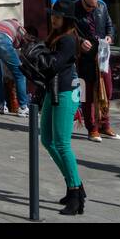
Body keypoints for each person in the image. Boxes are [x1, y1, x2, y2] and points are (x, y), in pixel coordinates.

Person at [40, 12, 86, 216]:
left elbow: (54, 64)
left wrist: (38, 55)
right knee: (47, 139)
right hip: (54, 90)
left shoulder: (68, 39)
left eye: (58, 16)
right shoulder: (55, 36)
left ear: (67, 19)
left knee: (62, 143)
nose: (53, 19)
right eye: (53, 15)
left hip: (67, 91)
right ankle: (73, 184)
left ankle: (76, 194)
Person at [75, 0, 118, 141]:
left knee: (107, 90)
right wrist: (79, 41)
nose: (92, 9)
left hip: (102, 55)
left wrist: (109, 37)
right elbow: (67, 32)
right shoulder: (74, 9)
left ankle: (104, 125)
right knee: (87, 94)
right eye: (89, 6)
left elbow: (110, 26)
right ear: (82, 0)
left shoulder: (102, 6)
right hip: (85, 58)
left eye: (95, 6)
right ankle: (92, 128)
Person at [0, 17, 30, 117]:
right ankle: (23, 108)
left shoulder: (6, 22)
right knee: (20, 73)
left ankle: (1, 105)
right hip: (0, 39)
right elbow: (18, 44)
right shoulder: (21, 28)